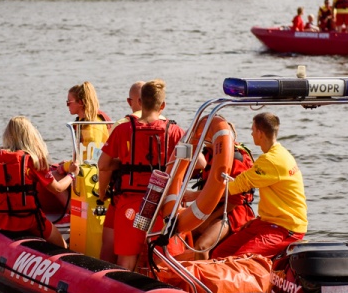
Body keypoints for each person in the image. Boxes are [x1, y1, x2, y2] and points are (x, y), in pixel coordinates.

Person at [97, 79, 185, 272]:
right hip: (162, 204)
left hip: (132, 204)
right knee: (163, 260)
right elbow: (200, 164)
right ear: (162, 105)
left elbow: (103, 165)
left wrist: (124, 163)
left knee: (126, 261)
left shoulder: (123, 129)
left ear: (139, 102)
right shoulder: (176, 131)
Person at [212, 112, 307, 259]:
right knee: (220, 253)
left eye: (252, 130)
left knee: (238, 261)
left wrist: (197, 196)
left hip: (286, 228)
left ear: (260, 133)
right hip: (268, 221)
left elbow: (238, 185)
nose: (251, 133)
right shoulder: (280, 153)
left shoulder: (272, 160)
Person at [0, 116, 74, 248]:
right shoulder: (33, 160)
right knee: (63, 246)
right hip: (29, 221)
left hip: (0, 221)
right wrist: (72, 174)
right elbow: (57, 188)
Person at [176, 123, 256, 261]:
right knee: (180, 233)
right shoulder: (208, 154)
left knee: (201, 245)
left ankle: (200, 280)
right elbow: (190, 172)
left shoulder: (236, 159)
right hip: (209, 207)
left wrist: (207, 221)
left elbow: (234, 201)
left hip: (232, 212)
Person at [66, 82, 111, 161]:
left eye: (69, 102)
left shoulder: (92, 127)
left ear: (80, 102)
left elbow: (91, 159)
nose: (67, 105)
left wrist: (66, 167)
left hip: (94, 169)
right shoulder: (82, 122)